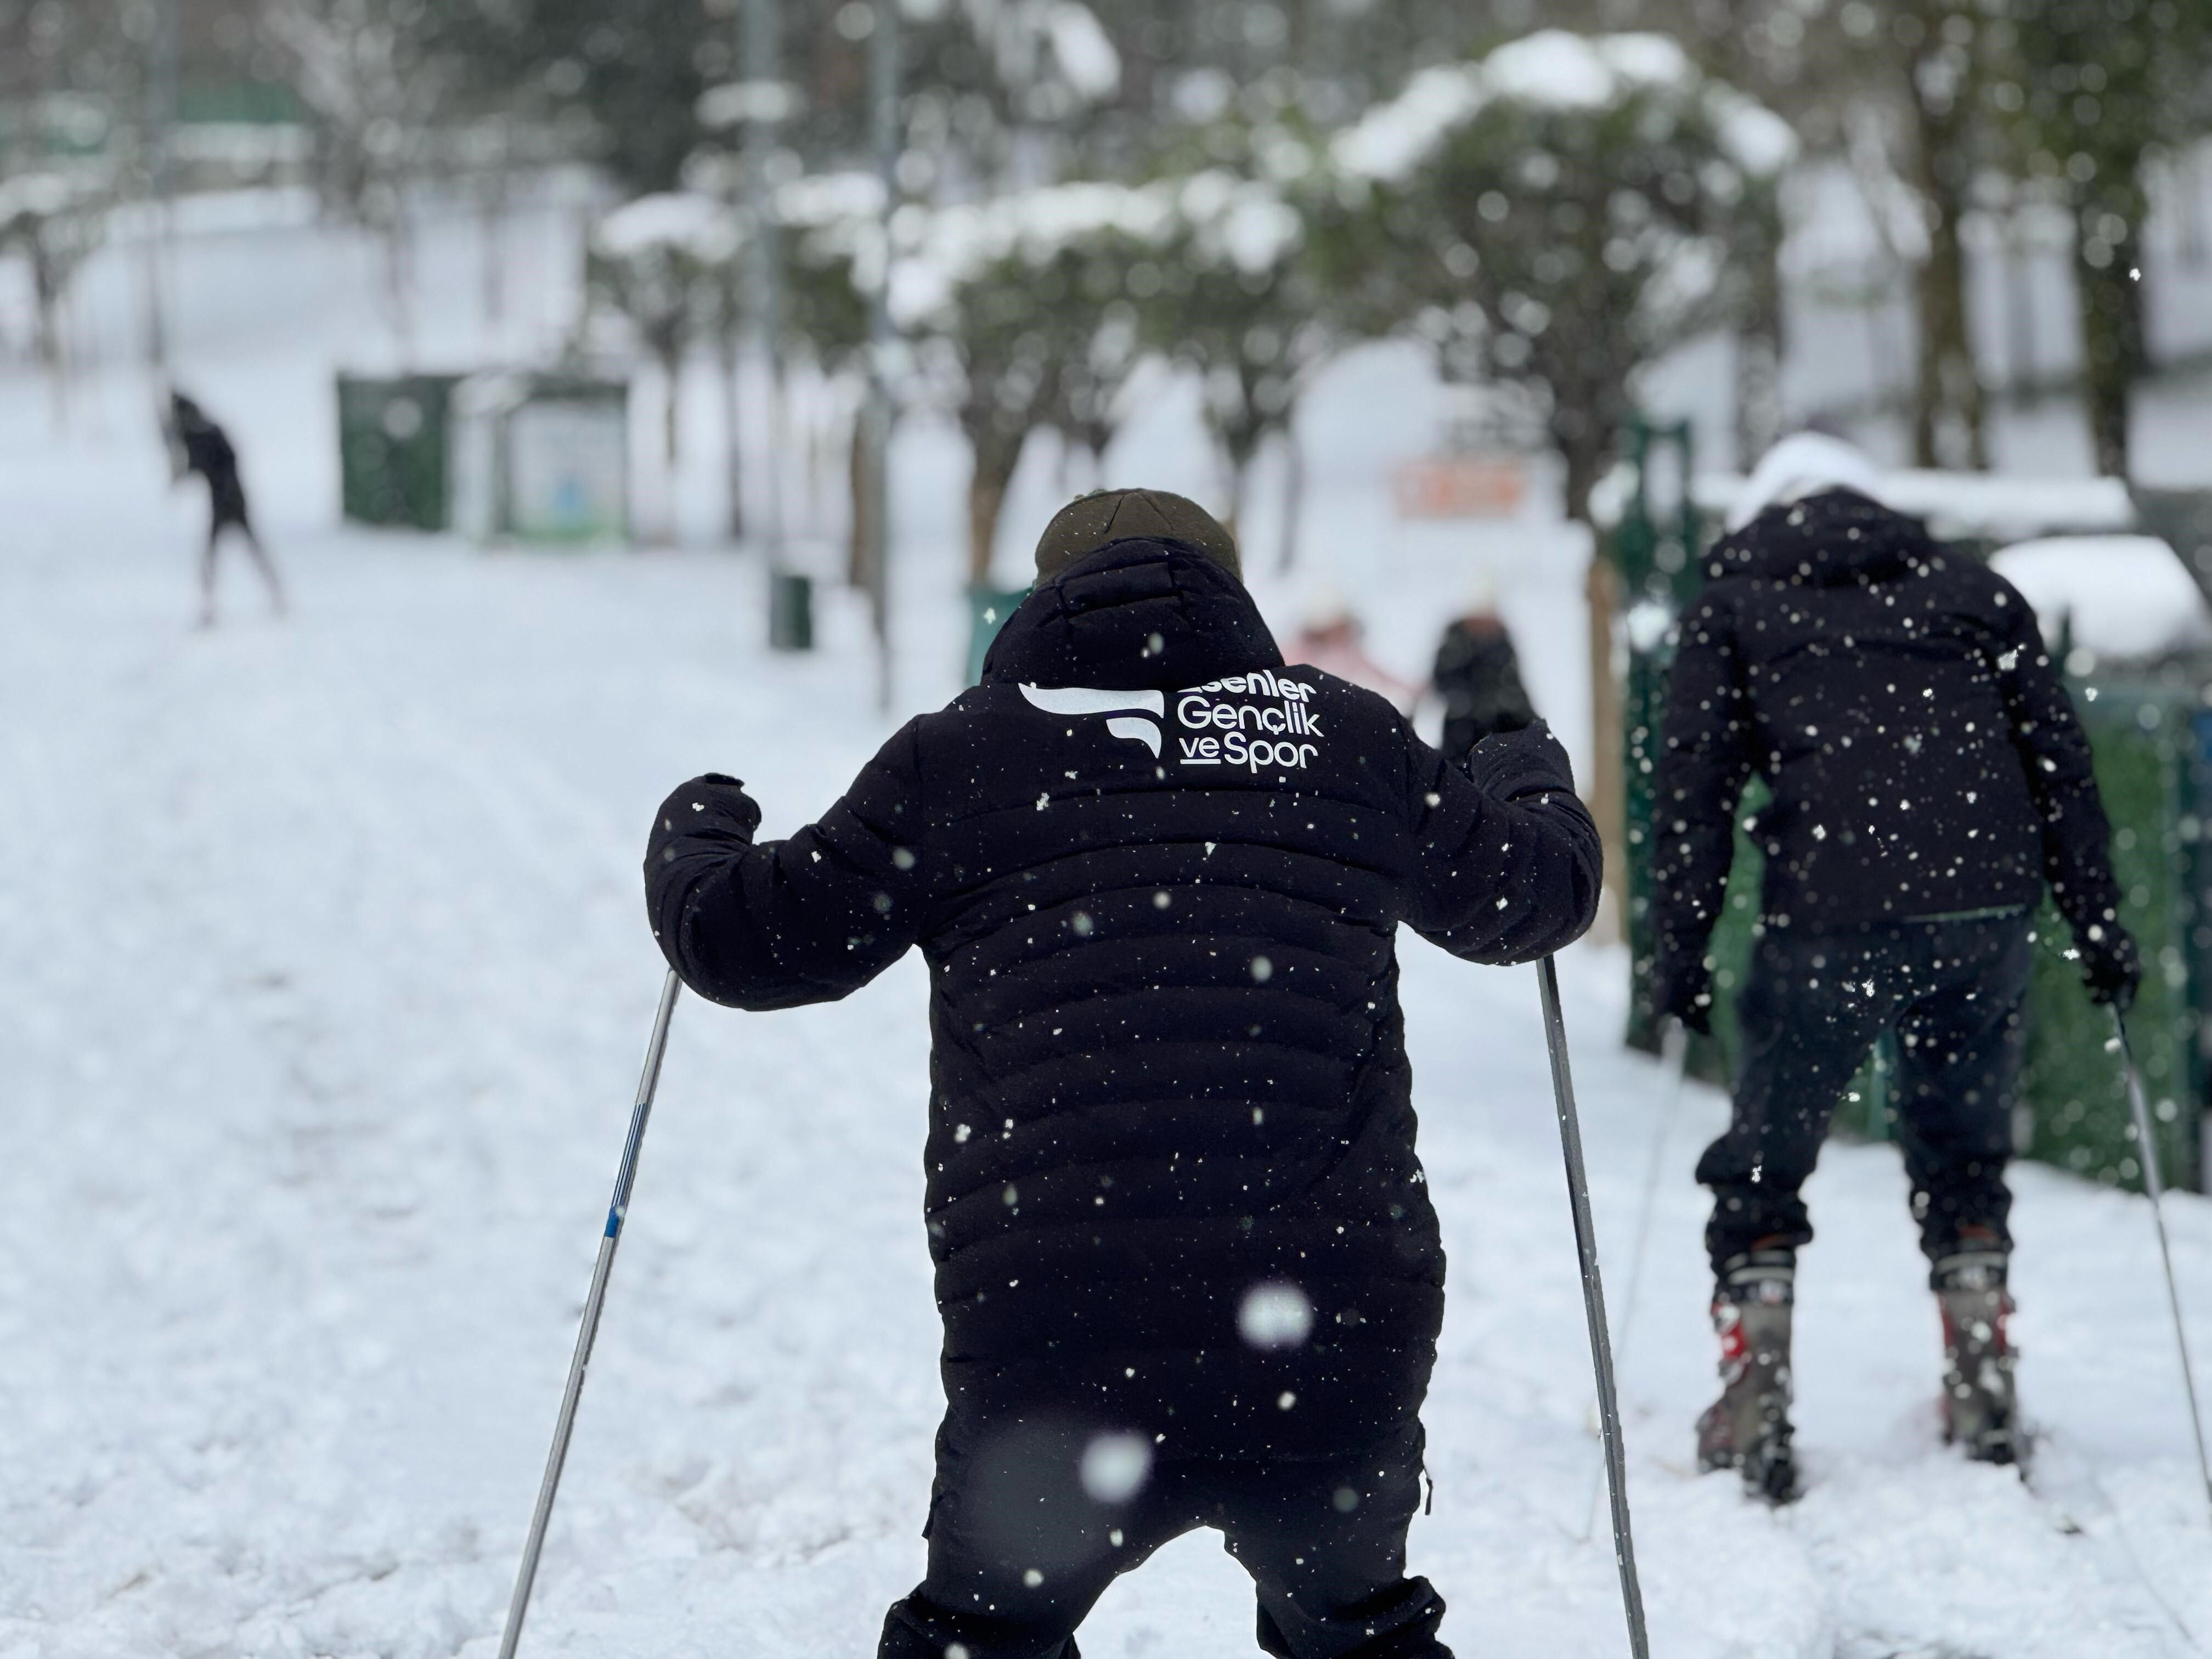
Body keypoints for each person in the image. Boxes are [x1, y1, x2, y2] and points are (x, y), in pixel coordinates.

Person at [645, 486, 1600, 1659]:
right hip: (1326, 1333)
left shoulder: (963, 758)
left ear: (1046, 601)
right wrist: (1525, 776)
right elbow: (1534, 896)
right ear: (1232, 595)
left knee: (983, 1642)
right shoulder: (1343, 740)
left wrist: (700, 832)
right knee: (1357, 1637)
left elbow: (748, 942)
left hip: (1057, 1340)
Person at [1649, 433, 2138, 1498]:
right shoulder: (1972, 591)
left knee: (1769, 1154)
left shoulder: (1733, 605)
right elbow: (2061, 765)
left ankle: (1757, 1393)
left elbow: (1691, 794)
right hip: (1984, 903)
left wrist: (1674, 957)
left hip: (1832, 906)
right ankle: (1981, 1373)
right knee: (1963, 1140)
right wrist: (2098, 923)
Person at [167, 392, 284, 626]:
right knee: (221, 554)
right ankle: (212, 604)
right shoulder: (198, 434)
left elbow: (219, 461)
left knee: (244, 551)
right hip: (222, 501)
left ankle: (275, 594)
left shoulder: (208, 434)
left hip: (232, 500)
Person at [1427, 573, 1536, 763]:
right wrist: (1477, 705)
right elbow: (1443, 682)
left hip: (1500, 739)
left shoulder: (1502, 642)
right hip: (1462, 737)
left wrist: (1533, 725)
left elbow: (1515, 687)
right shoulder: (1456, 642)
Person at [1282, 589, 1420, 709]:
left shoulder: (1349, 651)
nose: (1340, 633)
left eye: (1343, 626)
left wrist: (1410, 689)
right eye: (1336, 627)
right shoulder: (1298, 654)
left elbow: (1378, 673)